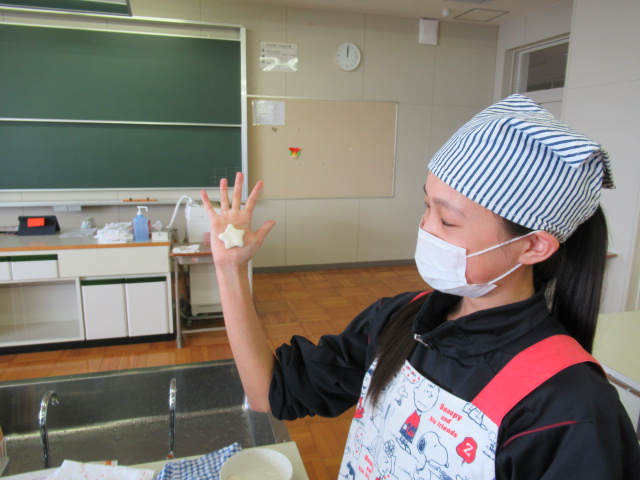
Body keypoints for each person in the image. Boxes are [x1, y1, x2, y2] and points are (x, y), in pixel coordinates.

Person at [201, 94, 640, 479]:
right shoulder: (400, 318)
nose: (425, 227)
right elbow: (270, 391)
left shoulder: (573, 410)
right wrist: (230, 269)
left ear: (534, 246)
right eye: (426, 205)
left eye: (447, 219)